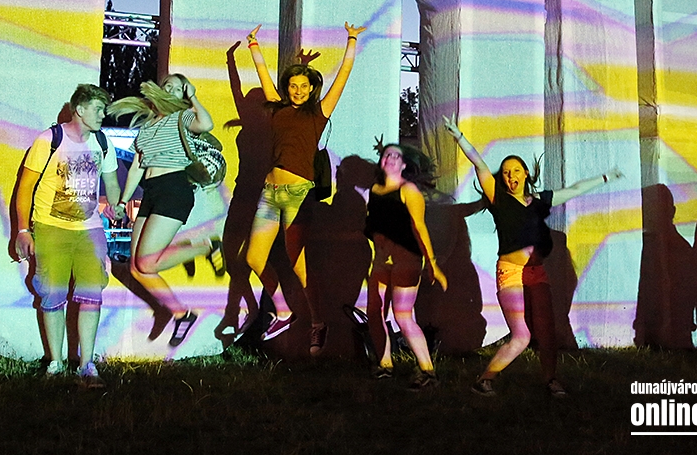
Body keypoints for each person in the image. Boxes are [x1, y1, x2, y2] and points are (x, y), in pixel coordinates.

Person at [443, 114, 622, 397]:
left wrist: (605, 177)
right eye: (506, 173)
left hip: (536, 272)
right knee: (522, 336)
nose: (510, 176)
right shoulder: (498, 199)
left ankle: (551, 380)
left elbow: (574, 190)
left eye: (516, 170)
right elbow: (479, 164)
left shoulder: (539, 200)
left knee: (546, 331)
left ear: (526, 173)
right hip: (511, 272)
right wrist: (460, 137)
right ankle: (485, 380)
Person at [245, 21, 366, 355]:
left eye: (303, 86)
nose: (297, 90)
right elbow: (264, 76)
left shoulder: (319, 113)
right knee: (254, 257)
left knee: (300, 266)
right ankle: (284, 311)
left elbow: (343, 76)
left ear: (312, 89)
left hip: (298, 197)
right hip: (270, 194)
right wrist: (253, 46)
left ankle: (317, 322)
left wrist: (351, 40)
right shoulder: (277, 109)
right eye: (293, 85)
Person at [14, 84, 123, 388]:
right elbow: (25, 188)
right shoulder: (49, 140)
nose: (102, 115)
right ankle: (55, 363)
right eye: (97, 109)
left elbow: (112, 184)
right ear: (80, 109)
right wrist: (22, 230)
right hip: (51, 227)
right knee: (53, 294)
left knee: (92, 294)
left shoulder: (103, 143)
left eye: (103, 110)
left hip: (90, 229)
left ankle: (87, 365)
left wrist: (116, 204)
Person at [109, 74, 216, 347]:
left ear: (182, 96)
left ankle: (204, 247)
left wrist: (192, 97)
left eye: (177, 88)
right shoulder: (146, 128)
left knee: (147, 263)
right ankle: (180, 314)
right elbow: (137, 167)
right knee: (136, 268)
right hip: (151, 192)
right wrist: (122, 202)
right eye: (167, 85)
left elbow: (206, 123)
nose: (170, 89)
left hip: (173, 190)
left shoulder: (182, 118)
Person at [359, 141, 447, 388]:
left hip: (406, 260)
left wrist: (432, 263)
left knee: (403, 315)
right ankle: (385, 364)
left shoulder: (409, 190)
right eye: (387, 155)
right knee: (374, 313)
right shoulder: (374, 190)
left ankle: (428, 371)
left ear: (404, 165)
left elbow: (420, 227)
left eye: (396, 156)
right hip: (381, 261)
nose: (390, 159)